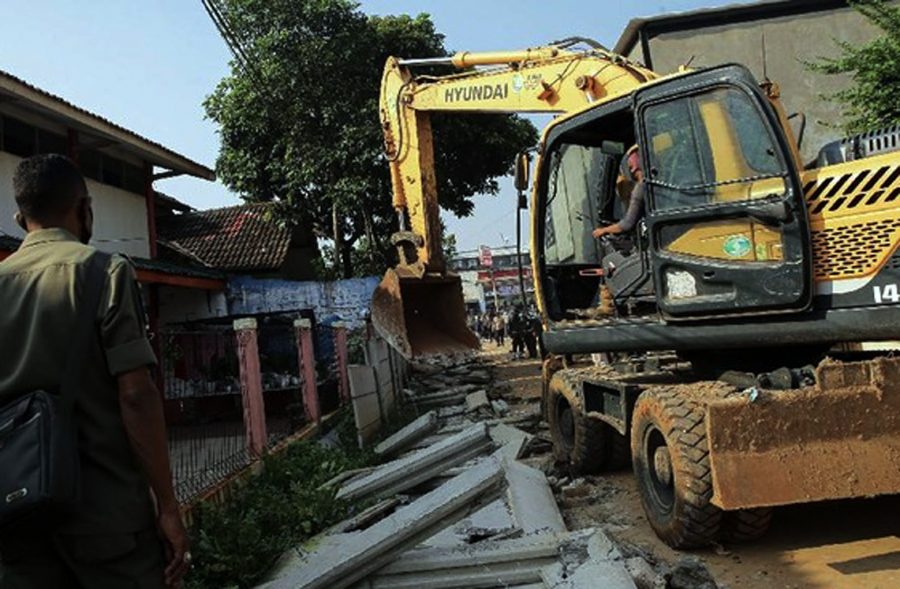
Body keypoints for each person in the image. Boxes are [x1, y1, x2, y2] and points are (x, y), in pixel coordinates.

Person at [0, 155, 189, 588]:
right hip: (108, 521)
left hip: (17, 518)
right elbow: (136, 396)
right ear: (84, 209)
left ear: (19, 217)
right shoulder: (106, 272)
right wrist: (168, 506)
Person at [592, 145, 645, 241]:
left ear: (634, 166)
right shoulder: (656, 181)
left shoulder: (640, 188)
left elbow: (627, 224)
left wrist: (603, 230)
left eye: (630, 165)